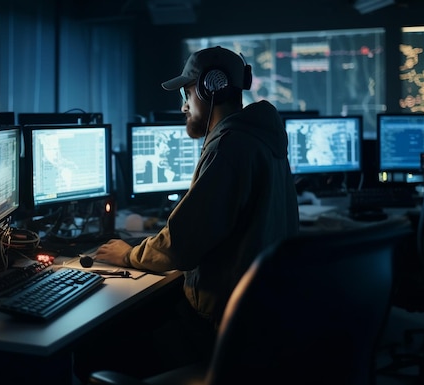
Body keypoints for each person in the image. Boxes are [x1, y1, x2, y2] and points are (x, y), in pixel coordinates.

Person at [77, 46, 299, 381]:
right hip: (258, 323)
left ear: (210, 89)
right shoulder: (261, 137)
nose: (183, 105)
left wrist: (128, 254)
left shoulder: (230, 146)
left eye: (186, 92)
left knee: (89, 349)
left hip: (221, 332)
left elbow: (180, 245)